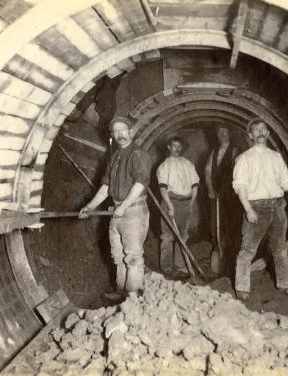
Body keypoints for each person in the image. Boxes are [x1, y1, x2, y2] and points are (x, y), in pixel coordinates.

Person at [232, 118, 288, 301]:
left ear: (268, 134)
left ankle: (285, 283)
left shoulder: (276, 157)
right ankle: (242, 287)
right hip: (256, 208)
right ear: (250, 135)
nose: (260, 132)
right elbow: (240, 186)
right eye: (256, 130)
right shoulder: (244, 159)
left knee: (280, 248)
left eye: (264, 129)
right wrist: (248, 209)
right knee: (247, 250)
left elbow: (286, 181)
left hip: (277, 206)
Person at [79, 117, 151, 300]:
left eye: (123, 130)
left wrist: (124, 206)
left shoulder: (138, 154)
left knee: (133, 257)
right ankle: (121, 292)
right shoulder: (115, 156)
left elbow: (141, 183)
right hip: (117, 211)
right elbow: (105, 187)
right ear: (112, 135)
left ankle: (133, 299)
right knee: (118, 256)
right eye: (116, 131)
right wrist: (89, 207)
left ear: (131, 132)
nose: (119, 134)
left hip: (133, 211)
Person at [156, 136, 199, 280]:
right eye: (174, 146)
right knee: (167, 236)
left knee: (183, 236)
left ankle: (180, 266)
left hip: (186, 202)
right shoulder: (164, 166)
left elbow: (195, 185)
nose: (177, 149)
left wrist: (191, 203)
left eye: (179, 146)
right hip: (170, 201)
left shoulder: (188, 164)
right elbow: (162, 188)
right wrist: (169, 206)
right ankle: (167, 268)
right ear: (169, 147)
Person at [204, 126, 240, 274]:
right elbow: (207, 171)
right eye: (220, 132)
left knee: (231, 224)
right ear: (217, 135)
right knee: (215, 223)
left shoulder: (236, 150)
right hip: (216, 195)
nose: (223, 135)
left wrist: (228, 191)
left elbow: (238, 173)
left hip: (232, 196)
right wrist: (210, 188)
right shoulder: (214, 152)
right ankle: (217, 248)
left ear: (230, 133)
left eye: (225, 132)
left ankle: (231, 255)